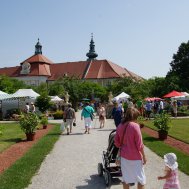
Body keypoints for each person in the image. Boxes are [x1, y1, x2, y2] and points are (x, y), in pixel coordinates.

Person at [114, 107, 146, 189]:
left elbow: (117, 143)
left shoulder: (120, 126)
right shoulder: (135, 126)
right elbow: (140, 145)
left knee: (126, 180)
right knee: (141, 180)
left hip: (124, 157)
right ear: (134, 117)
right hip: (136, 157)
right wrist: (144, 157)